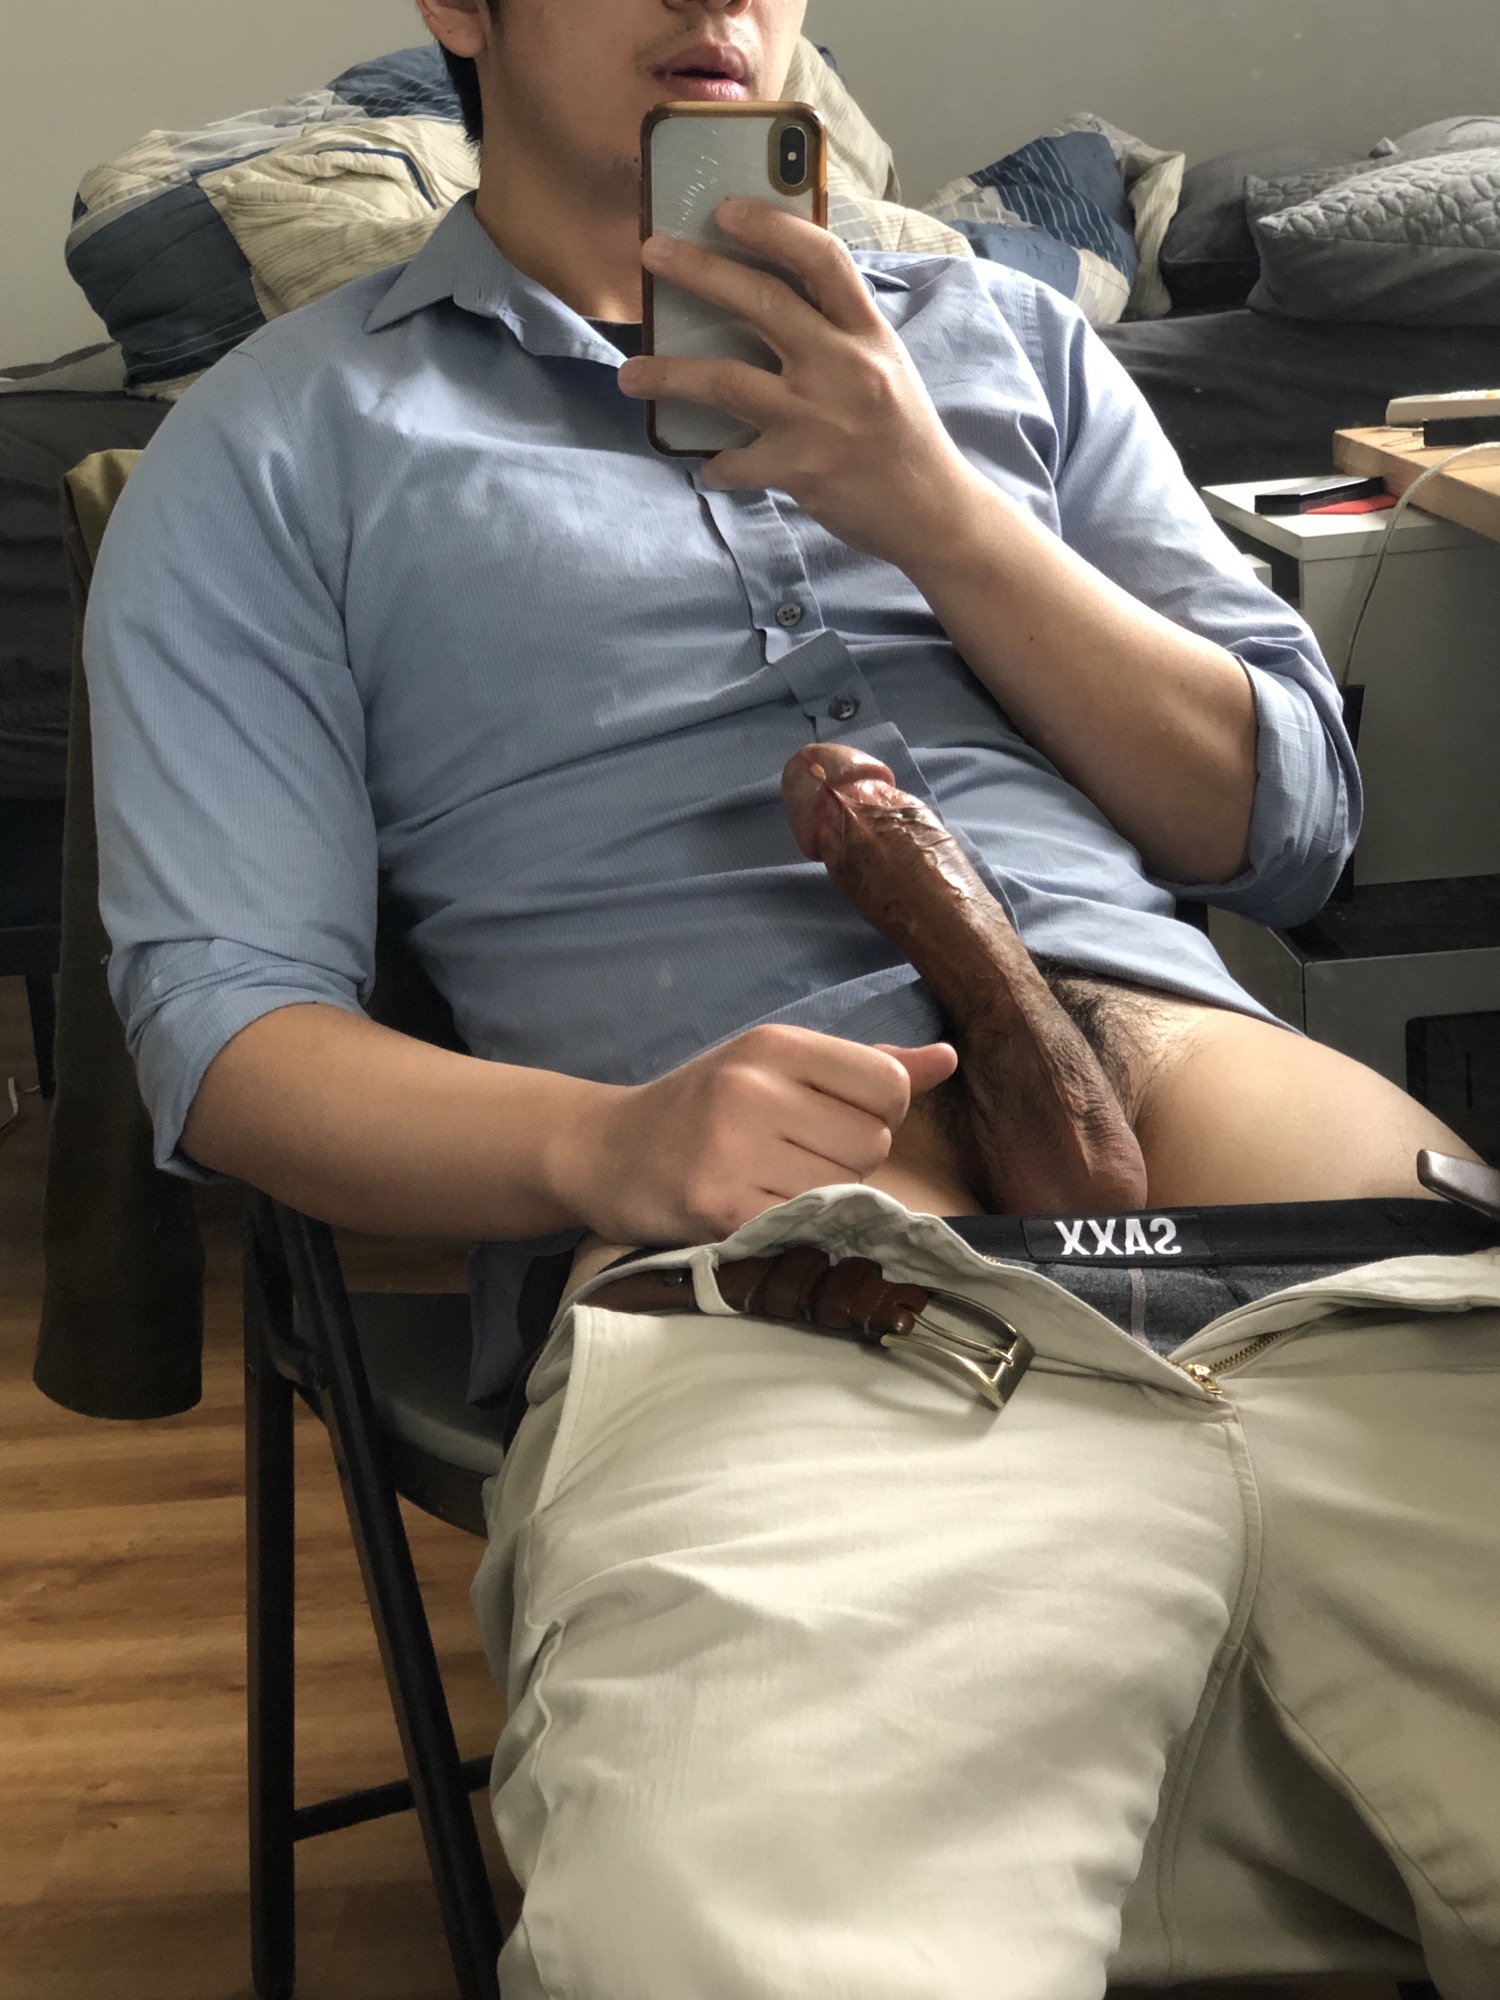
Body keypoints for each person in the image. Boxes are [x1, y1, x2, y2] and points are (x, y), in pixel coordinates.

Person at [84, 0, 1500, 1993]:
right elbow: (226, 1033)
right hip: (782, 1237)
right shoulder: (274, 448)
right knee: (748, 1930)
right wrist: (604, 1144)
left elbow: (1283, 827)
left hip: (1280, 1179)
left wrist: (932, 502)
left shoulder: (1015, 348)